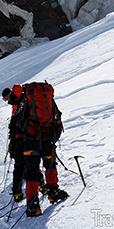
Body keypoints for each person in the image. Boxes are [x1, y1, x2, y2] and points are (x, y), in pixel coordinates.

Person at [14, 82, 69, 217]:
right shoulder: (49, 100)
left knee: (32, 171)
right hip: (47, 138)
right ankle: (53, 192)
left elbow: (19, 122)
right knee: (50, 165)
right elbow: (57, 116)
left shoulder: (27, 101)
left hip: (31, 141)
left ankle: (33, 206)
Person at [3, 85, 26, 202]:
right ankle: (41, 185)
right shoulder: (21, 99)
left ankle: (17, 192)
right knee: (30, 161)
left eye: (5, 98)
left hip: (19, 138)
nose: (5, 101)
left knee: (20, 164)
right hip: (27, 136)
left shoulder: (17, 101)